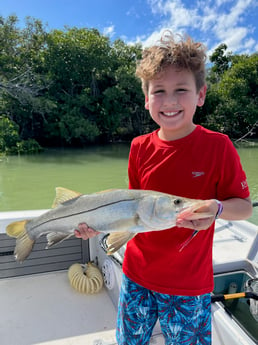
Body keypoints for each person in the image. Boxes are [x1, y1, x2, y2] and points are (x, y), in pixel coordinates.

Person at [75, 31, 252, 345]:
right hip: (136, 276)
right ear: (146, 98)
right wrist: (97, 225)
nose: (169, 101)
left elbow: (244, 207)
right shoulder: (139, 147)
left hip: (189, 286)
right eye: (159, 91)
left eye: (181, 89)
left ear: (201, 94)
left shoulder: (219, 147)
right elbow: (131, 210)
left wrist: (218, 208)